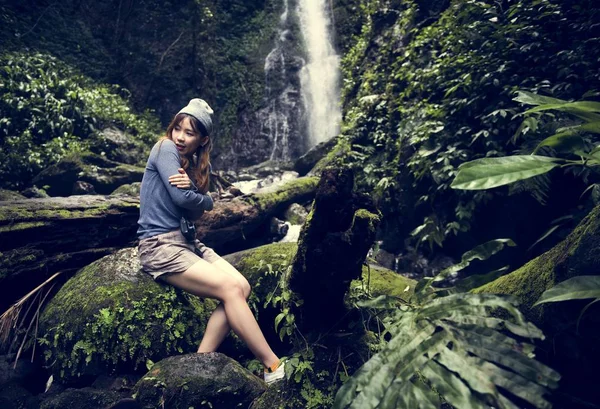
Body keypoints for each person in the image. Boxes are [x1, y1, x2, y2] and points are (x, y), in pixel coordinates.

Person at [136, 98, 285, 384]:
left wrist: (202, 196)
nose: (180, 137)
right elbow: (187, 200)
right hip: (160, 245)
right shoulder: (164, 148)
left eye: (189, 132)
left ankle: (199, 361)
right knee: (230, 288)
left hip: (189, 242)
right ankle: (272, 366)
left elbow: (197, 208)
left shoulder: (194, 165)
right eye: (177, 128)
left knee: (242, 287)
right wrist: (203, 198)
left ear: (203, 139)